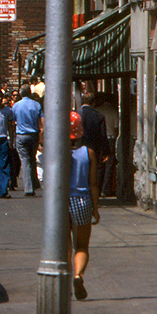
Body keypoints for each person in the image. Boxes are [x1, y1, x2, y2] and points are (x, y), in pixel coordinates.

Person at [68, 110, 100, 300]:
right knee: (81, 246)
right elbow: (93, 183)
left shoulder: (56, 153)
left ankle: (62, 281)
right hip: (82, 201)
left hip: (61, 202)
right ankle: (78, 274)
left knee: (63, 247)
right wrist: (95, 208)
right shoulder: (89, 153)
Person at [11, 82, 43, 196]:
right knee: (32, 158)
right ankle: (35, 182)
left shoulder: (16, 106)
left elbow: (13, 120)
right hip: (33, 134)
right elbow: (41, 121)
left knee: (25, 160)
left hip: (21, 134)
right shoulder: (37, 105)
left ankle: (28, 187)